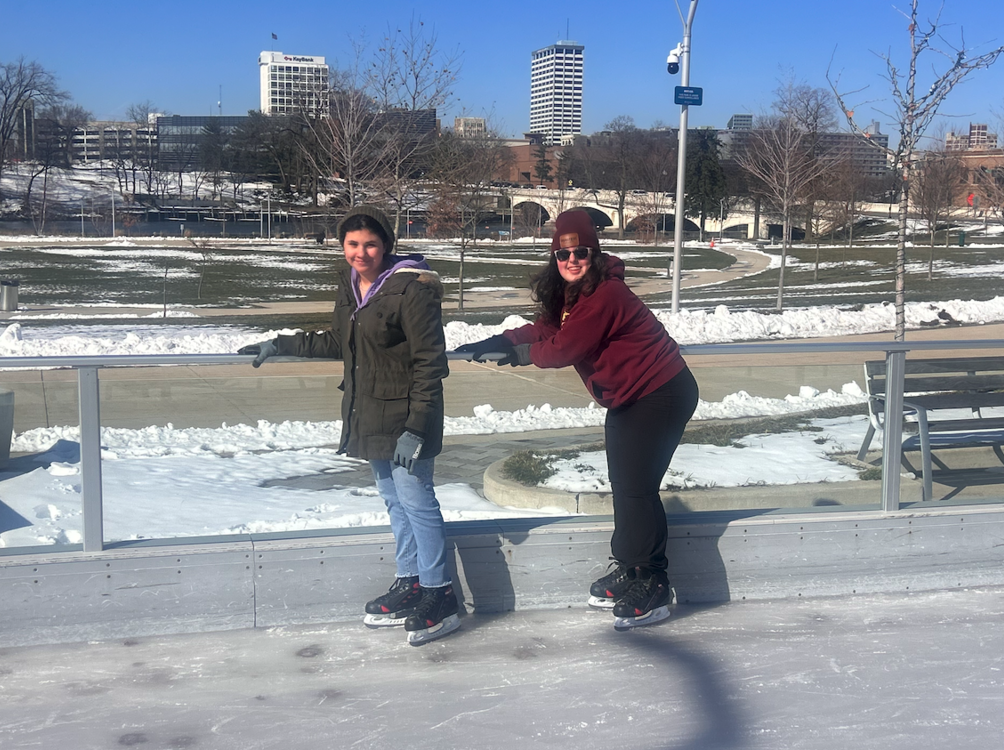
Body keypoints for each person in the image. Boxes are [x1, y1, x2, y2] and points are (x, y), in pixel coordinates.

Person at [456, 209, 699, 631]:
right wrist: (500, 340)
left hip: (661, 392)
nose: (572, 260)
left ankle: (653, 581)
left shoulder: (607, 294)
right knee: (626, 486)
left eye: (581, 252)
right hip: (630, 395)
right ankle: (631, 567)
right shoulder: (574, 294)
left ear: (594, 254)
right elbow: (544, 330)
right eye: (563, 254)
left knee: (637, 488)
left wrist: (520, 355)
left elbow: (564, 347)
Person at [238, 205, 459, 646]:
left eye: (370, 244)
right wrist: (280, 343)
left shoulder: (411, 289)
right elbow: (341, 341)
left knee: (417, 502)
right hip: (368, 412)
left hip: (407, 417)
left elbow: (430, 363)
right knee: (395, 502)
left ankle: (440, 593)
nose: (361, 252)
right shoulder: (351, 285)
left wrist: (417, 427)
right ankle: (411, 580)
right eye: (353, 244)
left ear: (386, 245)